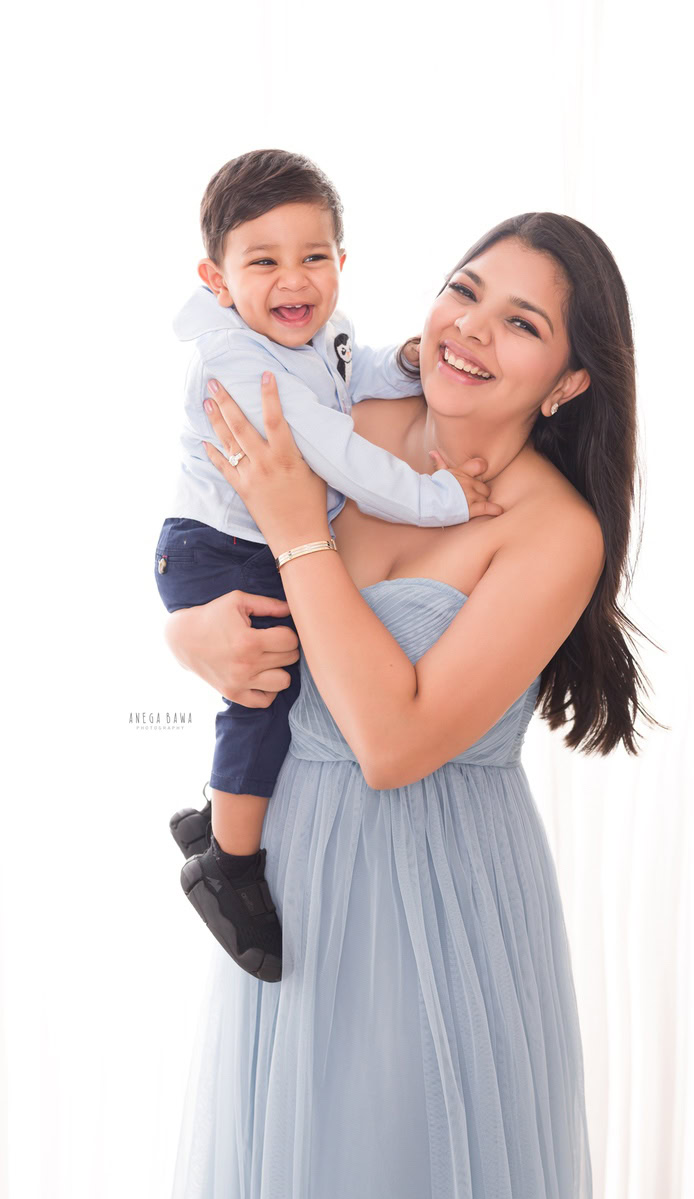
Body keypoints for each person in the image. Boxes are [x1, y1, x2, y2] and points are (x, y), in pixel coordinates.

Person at [163, 212, 654, 1197]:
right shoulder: (339, 418)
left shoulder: (555, 532)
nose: (470, 328)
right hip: (289, 872)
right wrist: (188, 635)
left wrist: (299, 531)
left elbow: (391, 743)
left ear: (566, 383)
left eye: (520, 323)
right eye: (463, 291)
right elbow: (211, 548)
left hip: (441, 888)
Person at [155, 149, 499, 983]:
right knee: (268, 691)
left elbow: (350, 369)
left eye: (313, 256)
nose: (294, 279)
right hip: (216, 545)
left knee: (295, 672)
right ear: (216, 278)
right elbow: (339, 452)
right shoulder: (236, 362)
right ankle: (228, 863)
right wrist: (441, 497)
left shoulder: (316, 330)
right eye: (263, 262)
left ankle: (216, 813)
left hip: (250, 540)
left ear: (342, 259)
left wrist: (404, 363)